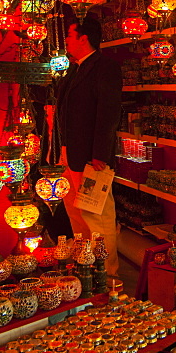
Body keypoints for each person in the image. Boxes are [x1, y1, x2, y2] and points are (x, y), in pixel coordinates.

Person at [57, 17, 122, 276]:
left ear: (84, 39)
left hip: (91, 157)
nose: (66, 42)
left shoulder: (105, 67)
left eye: (70, 37)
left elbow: (108, 113)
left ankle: (108, 274)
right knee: (75, 212)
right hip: (69, 152)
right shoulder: (74, 69)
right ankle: (86, 267)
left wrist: (100, 154)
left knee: (98, 216)